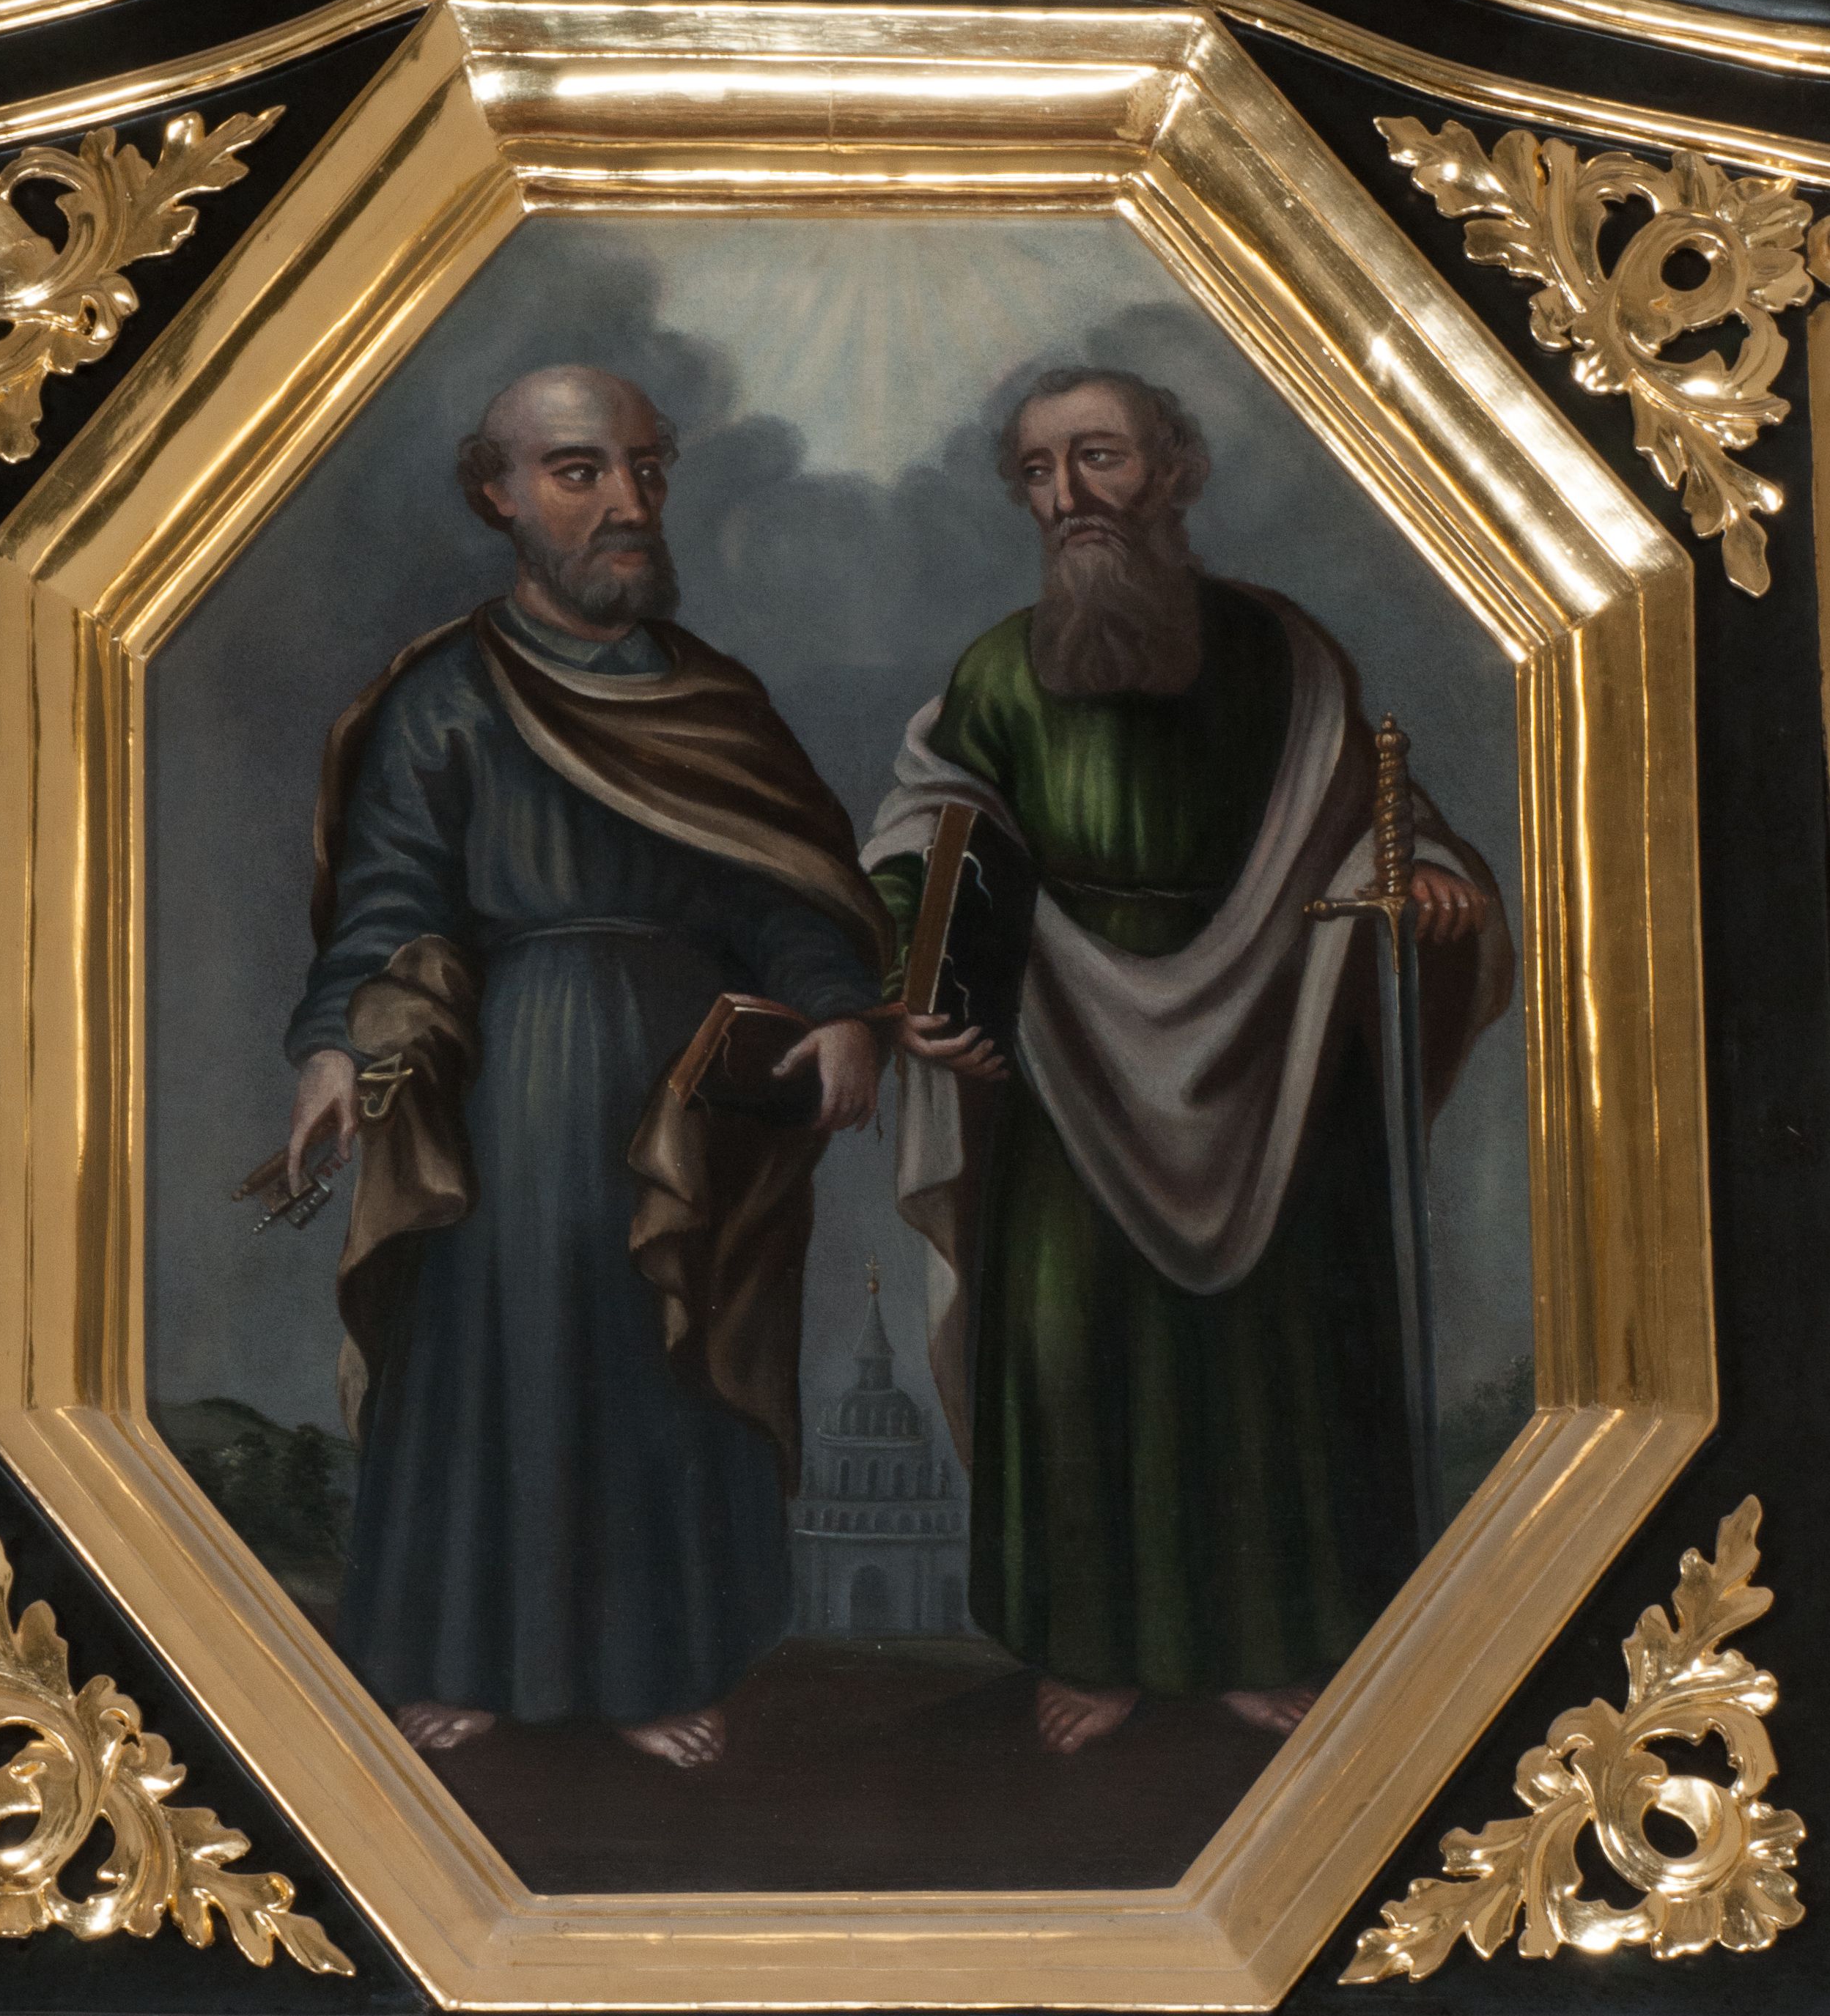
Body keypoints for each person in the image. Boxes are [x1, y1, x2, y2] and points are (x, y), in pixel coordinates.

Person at [863, 366, 1513, 1754]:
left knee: (1267, 1360)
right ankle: (1090, 1650)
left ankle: (1261, 1645)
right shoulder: (997, 673)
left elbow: (1370, 811)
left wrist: (1426, 873)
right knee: (1068, 1347)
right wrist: (912, 969)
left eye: (1097, 459)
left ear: (1175, 470)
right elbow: (927, 832)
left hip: (1272, 1055)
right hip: (1062, 1058)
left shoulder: (1285, 657)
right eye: (1036, 473)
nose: (1067, 499)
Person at [284, 366, 890, 1768]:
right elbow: (387, 903)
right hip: (507, 1093)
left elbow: (790, 897)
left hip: (692, 1094)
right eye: (580, 472)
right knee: (494, 1366)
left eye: (646, 469)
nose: (627, 502)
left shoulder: (716, 701)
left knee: (661, 1369)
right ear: (495, 493)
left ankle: (656, 1667)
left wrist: (838, 1008)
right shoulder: (445, 699)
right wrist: (333, 1045)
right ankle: (468, 1661)